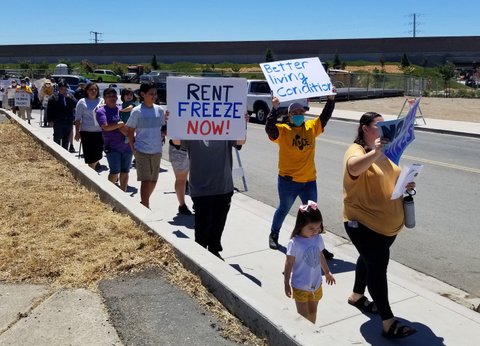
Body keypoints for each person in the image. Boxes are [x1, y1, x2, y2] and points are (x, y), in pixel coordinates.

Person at [343, 112, 417, 339]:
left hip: (385, 226)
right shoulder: (357, 150)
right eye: (379, 125)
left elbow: (388, 179)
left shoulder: (385, 152)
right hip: (363, 224)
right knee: (377, 268)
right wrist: (376, 152)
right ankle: (388, 322)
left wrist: (406, 183)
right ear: (365, 128)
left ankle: (356, 296)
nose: (384, 129)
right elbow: (354, 169)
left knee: (367, 259)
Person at [265, 92, 336, 261]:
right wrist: (274, 109)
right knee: (284, 209)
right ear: (289, 116)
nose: (298, 115)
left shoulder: (311, 128)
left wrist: (331, 99)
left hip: (309, 181)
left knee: (313, 214)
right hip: (288, 180)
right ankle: (273, 235)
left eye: (300, 113)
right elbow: (269, 128)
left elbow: (325, 117)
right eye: (294, 113)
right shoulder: (283, 130)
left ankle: (317, 246)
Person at [174, 113, 248, 260]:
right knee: (202, 226)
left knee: (218, 224)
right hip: (200, 188)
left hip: (223, 186)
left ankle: (214, 250)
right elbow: (177, 141)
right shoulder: (191, 130)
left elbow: (240, 141)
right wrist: (173, 123)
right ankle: (201, 257)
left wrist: (242, 124)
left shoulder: (225, 128)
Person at [283, 200, 335, 323]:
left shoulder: (318, 238)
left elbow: (320, 255)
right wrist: (286, 282)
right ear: (301, 225)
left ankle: (311, 335)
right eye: (311, 228)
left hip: (316, 284)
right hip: (300, 285)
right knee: (303, 316)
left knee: (313, 312)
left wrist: (327, 272)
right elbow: (288, 263)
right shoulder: (294, 243)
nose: (315, 231)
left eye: (318, 228)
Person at [125, 82, 167, 208]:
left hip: (157, 150)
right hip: (141, 150)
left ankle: (144, 202)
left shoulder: (160, 110)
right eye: (151, 94)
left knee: (154, 180)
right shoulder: (136, 111)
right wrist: (133, 149)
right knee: (146, 180)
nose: (154, 96)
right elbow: (130, 131)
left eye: (155, 94)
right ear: (143, 94)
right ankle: (145, 206)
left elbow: (162, 130)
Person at [96, 87, 132, 191]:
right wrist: (120, 124)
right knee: (115, 171)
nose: (112, 98)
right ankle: (110, 193)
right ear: (104, 98)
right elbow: (106, 127)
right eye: (109, 96)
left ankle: (123, 193)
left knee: (125, 171)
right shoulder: (101, 111)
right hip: (112, 147)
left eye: (113, 96)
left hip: (127, 146)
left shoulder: (122, 108)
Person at [74, 82, 103, 170]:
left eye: (95, 89)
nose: (93, 91)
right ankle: (91, 172)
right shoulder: (82, 102)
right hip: (86, 132)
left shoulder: (101, 101)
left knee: (98, 155)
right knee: (90, 156)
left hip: (100, 132)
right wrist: (77, 132)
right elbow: (77, 119)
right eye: (91, 89)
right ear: (86, 91)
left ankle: (92, 169)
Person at [47, 81, 77, 150]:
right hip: (58, 122)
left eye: (65, 89)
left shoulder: (70, 96)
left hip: (68, 122)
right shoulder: (53, 97)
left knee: (66, 140)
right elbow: (49, 110)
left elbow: (75, 104)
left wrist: (69, 98)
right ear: (58, 89)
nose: (64, 91)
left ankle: (65, 153)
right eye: (62, 89)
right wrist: (50, 120)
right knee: (57, 138)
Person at [169, 139, 192, 215]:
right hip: (179, 149)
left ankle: (198, 202)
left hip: (197, 147)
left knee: (200, 177)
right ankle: (182, 205)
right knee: (181, 179)